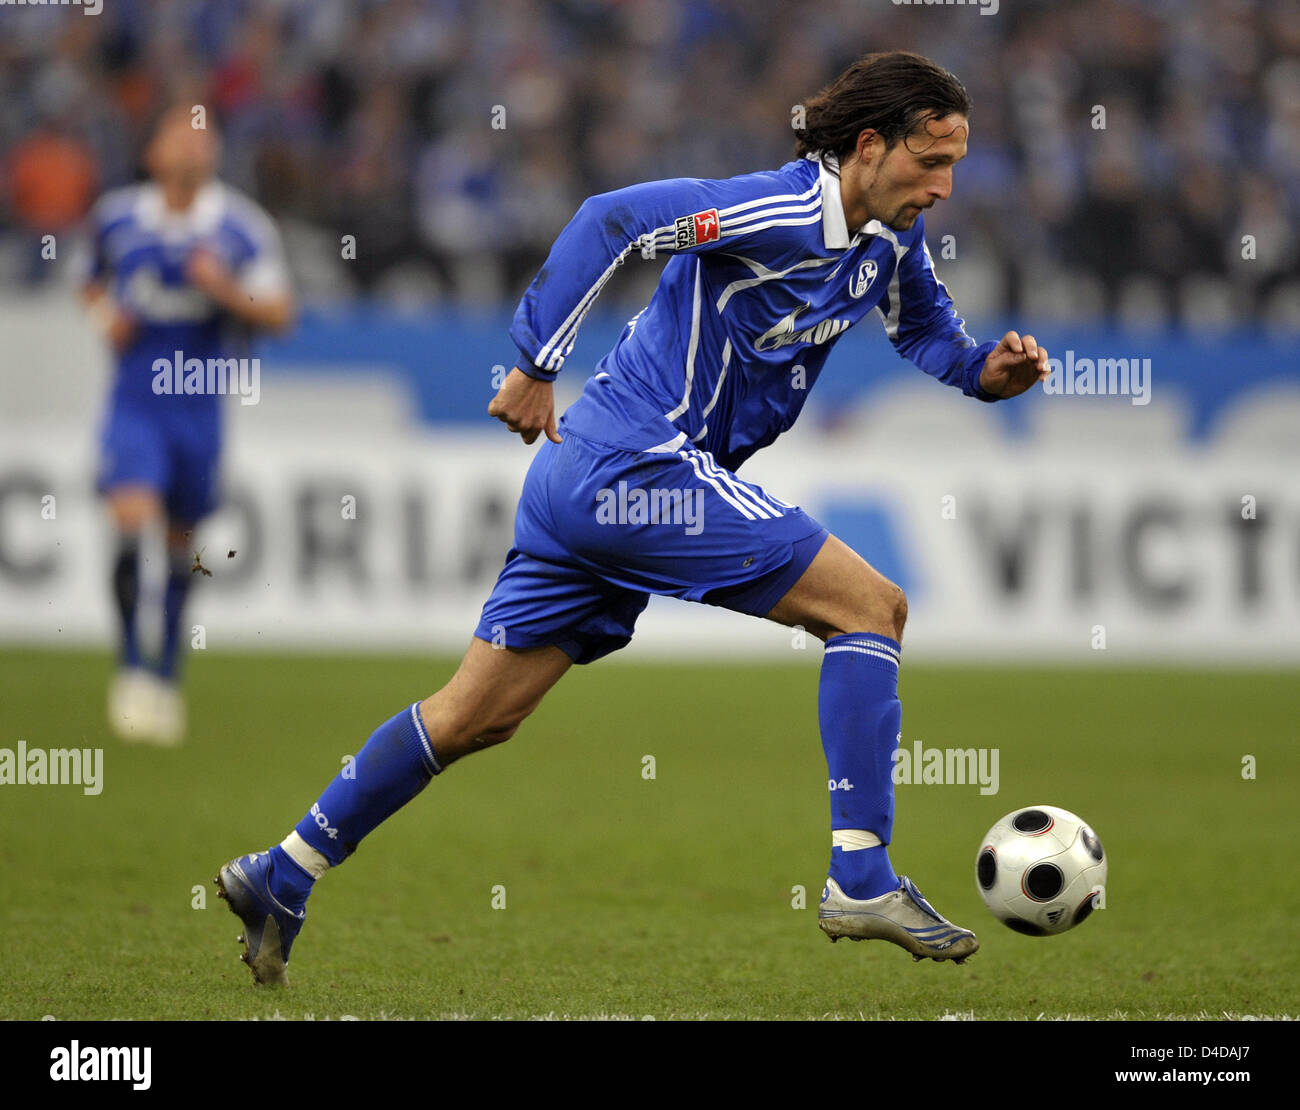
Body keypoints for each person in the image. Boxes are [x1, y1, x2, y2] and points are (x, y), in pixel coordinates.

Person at [216, 51, 1048, 985]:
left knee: (475, 717)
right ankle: (859, 874)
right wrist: (536, 361)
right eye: (931, 163)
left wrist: (985, 374)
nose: (944, 187)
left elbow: (927, 329)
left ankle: (283, 871)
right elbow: (611, 219)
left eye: (955, 167)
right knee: (872, 609)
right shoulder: (772, 210)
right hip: (634, 461)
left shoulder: (889, 241)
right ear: (866, 146)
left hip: (594, 485)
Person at [85, 107, 294, 744]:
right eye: (179, 133)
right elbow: (90, 285)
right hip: (135, 403)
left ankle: (166, 676)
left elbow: (280, 313)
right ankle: (130, 669)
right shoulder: (118, 217)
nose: (193, 145)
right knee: (129, 516)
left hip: (200, 409)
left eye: (203, 135)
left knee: (181, 545)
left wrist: (225, 289)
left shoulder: (239, 227)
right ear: (153, 154)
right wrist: (104, 320)